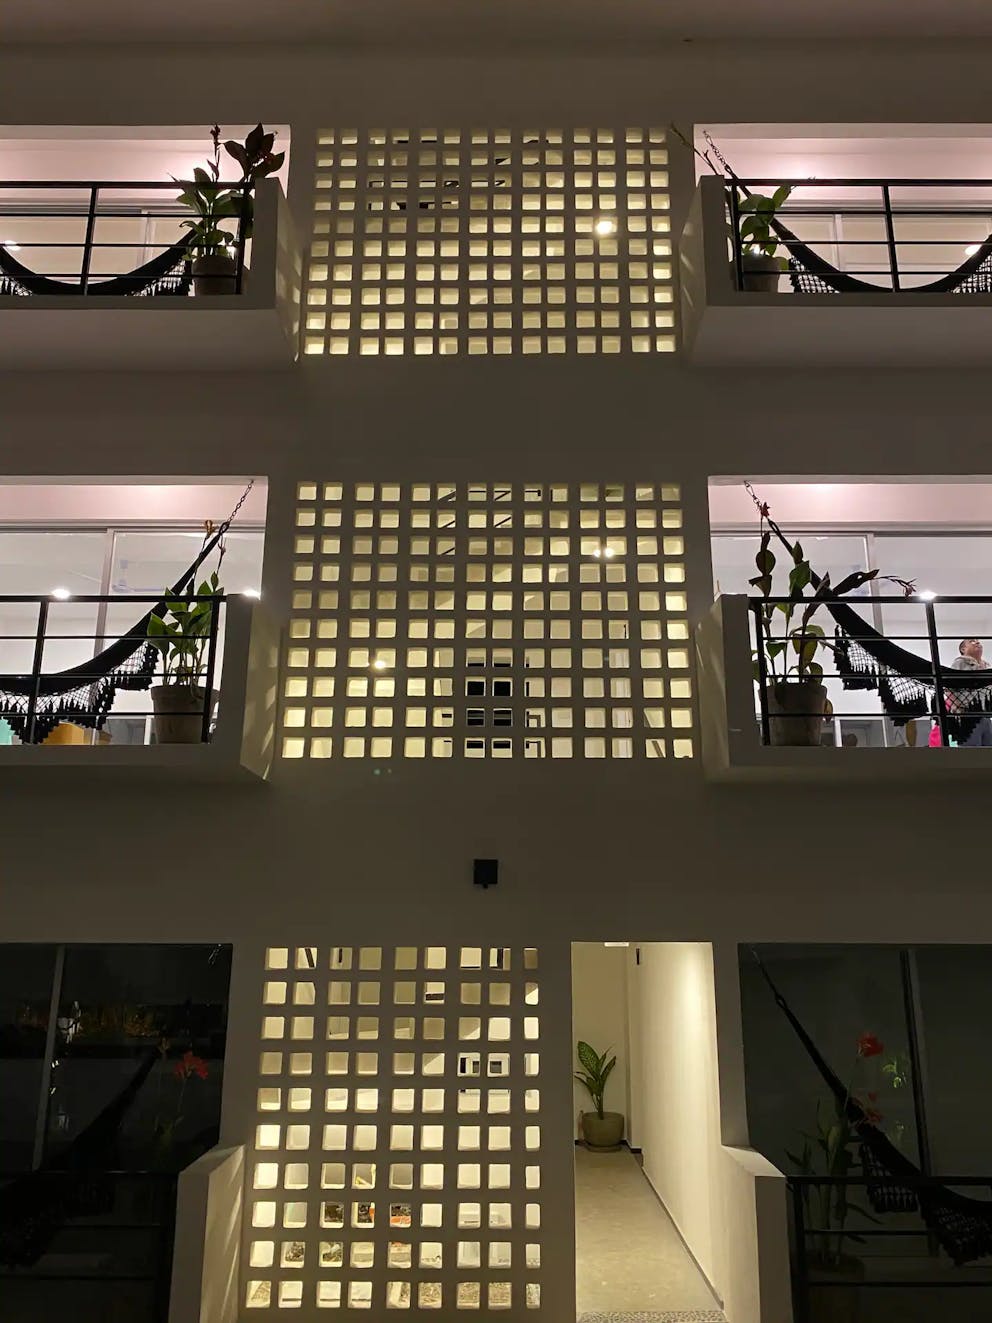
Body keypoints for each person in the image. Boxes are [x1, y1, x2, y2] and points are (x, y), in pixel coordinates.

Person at [950, 638, 992, 747]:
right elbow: (948, 687)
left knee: (988, 749)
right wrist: (958, 706)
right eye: (971, 641)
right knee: (971, 751)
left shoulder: (987, 666)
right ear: (963, 649)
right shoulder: (960, 663)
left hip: (985, 714)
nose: (977, 642)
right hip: (967, 715)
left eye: (978, 641)